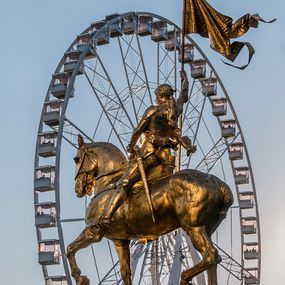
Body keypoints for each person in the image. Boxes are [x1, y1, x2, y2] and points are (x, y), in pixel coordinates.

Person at [98, 71, 196, 227]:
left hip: (149, 155)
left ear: (160, 96)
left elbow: (138, 131)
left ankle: (106, 216)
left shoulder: (153, 111)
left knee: (124, 182)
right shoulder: (175, 109)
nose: (156, 98)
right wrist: (186, 81)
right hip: (166, 158)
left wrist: (131, 146)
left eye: (157, 95)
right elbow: (183, 96)